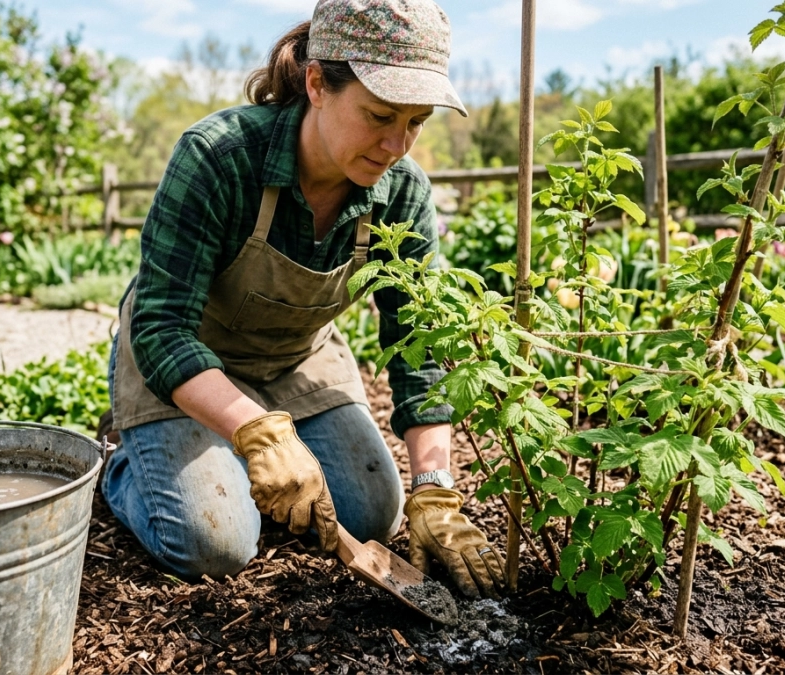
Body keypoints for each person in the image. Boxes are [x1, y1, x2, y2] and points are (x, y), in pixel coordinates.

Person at [102, 0, 504, 598]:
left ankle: (232, 463)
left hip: (294, 362)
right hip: (189, 364)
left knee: (374, 511)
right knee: (214, 543)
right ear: (317, 82)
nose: (397, 144)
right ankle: (123, 463)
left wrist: (435, 486)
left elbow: (417, 345)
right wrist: (258, 433)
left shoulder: (402, 194)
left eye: (416, 121)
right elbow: (161, 329)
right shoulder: (219, 158)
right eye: (380, 114)